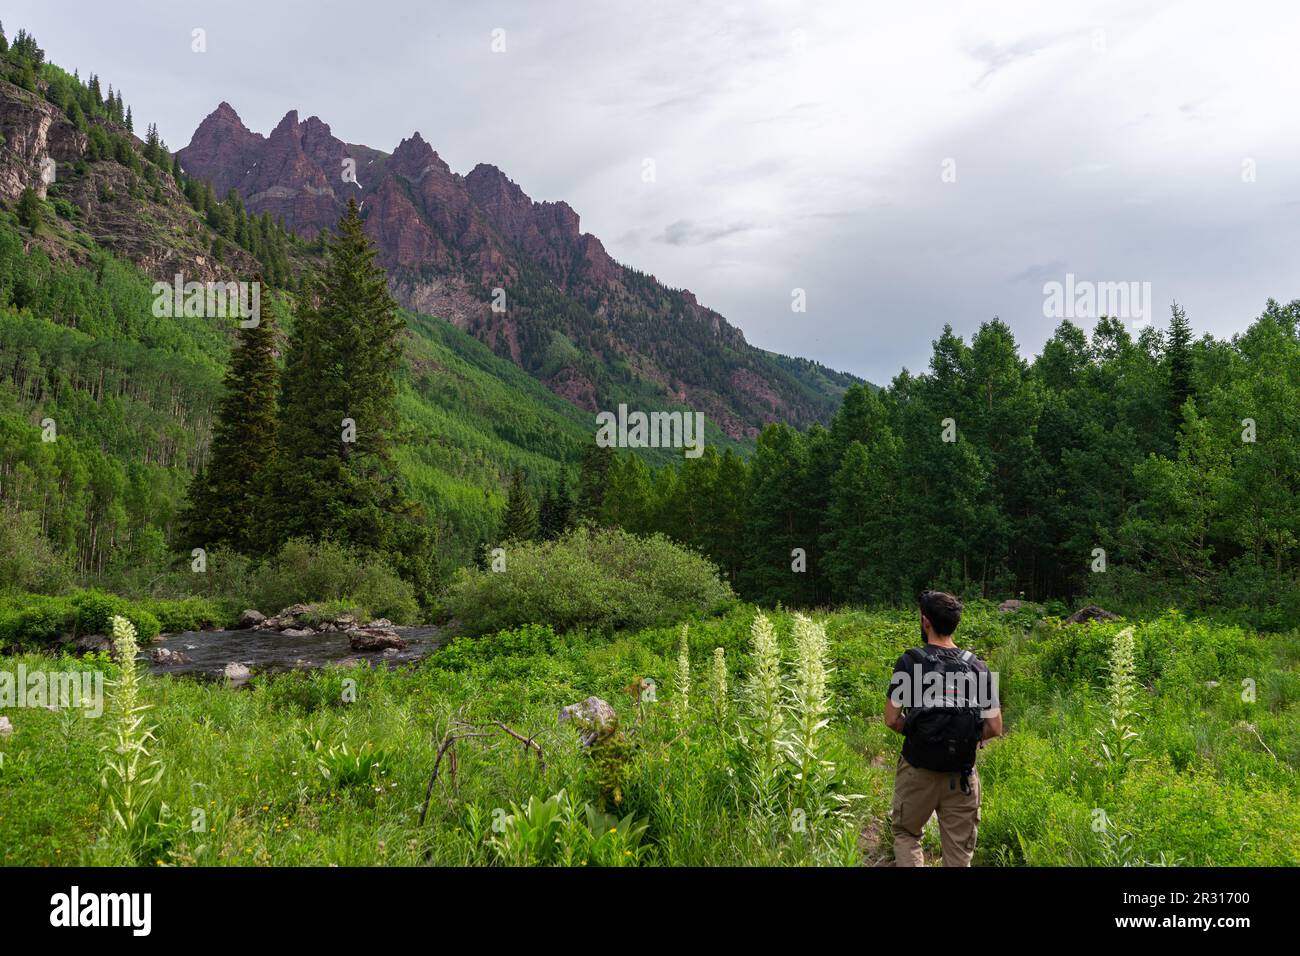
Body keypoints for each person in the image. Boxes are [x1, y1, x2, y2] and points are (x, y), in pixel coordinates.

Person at [883, 590, 1002, 866]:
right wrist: (968, 737)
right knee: (959, 853)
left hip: (917, 769)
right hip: (961, 775)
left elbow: (891, 719)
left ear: (925, 622)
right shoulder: (977, 668)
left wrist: (918, 732)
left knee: (907, 833)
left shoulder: (910, 662)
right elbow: (995, 727)